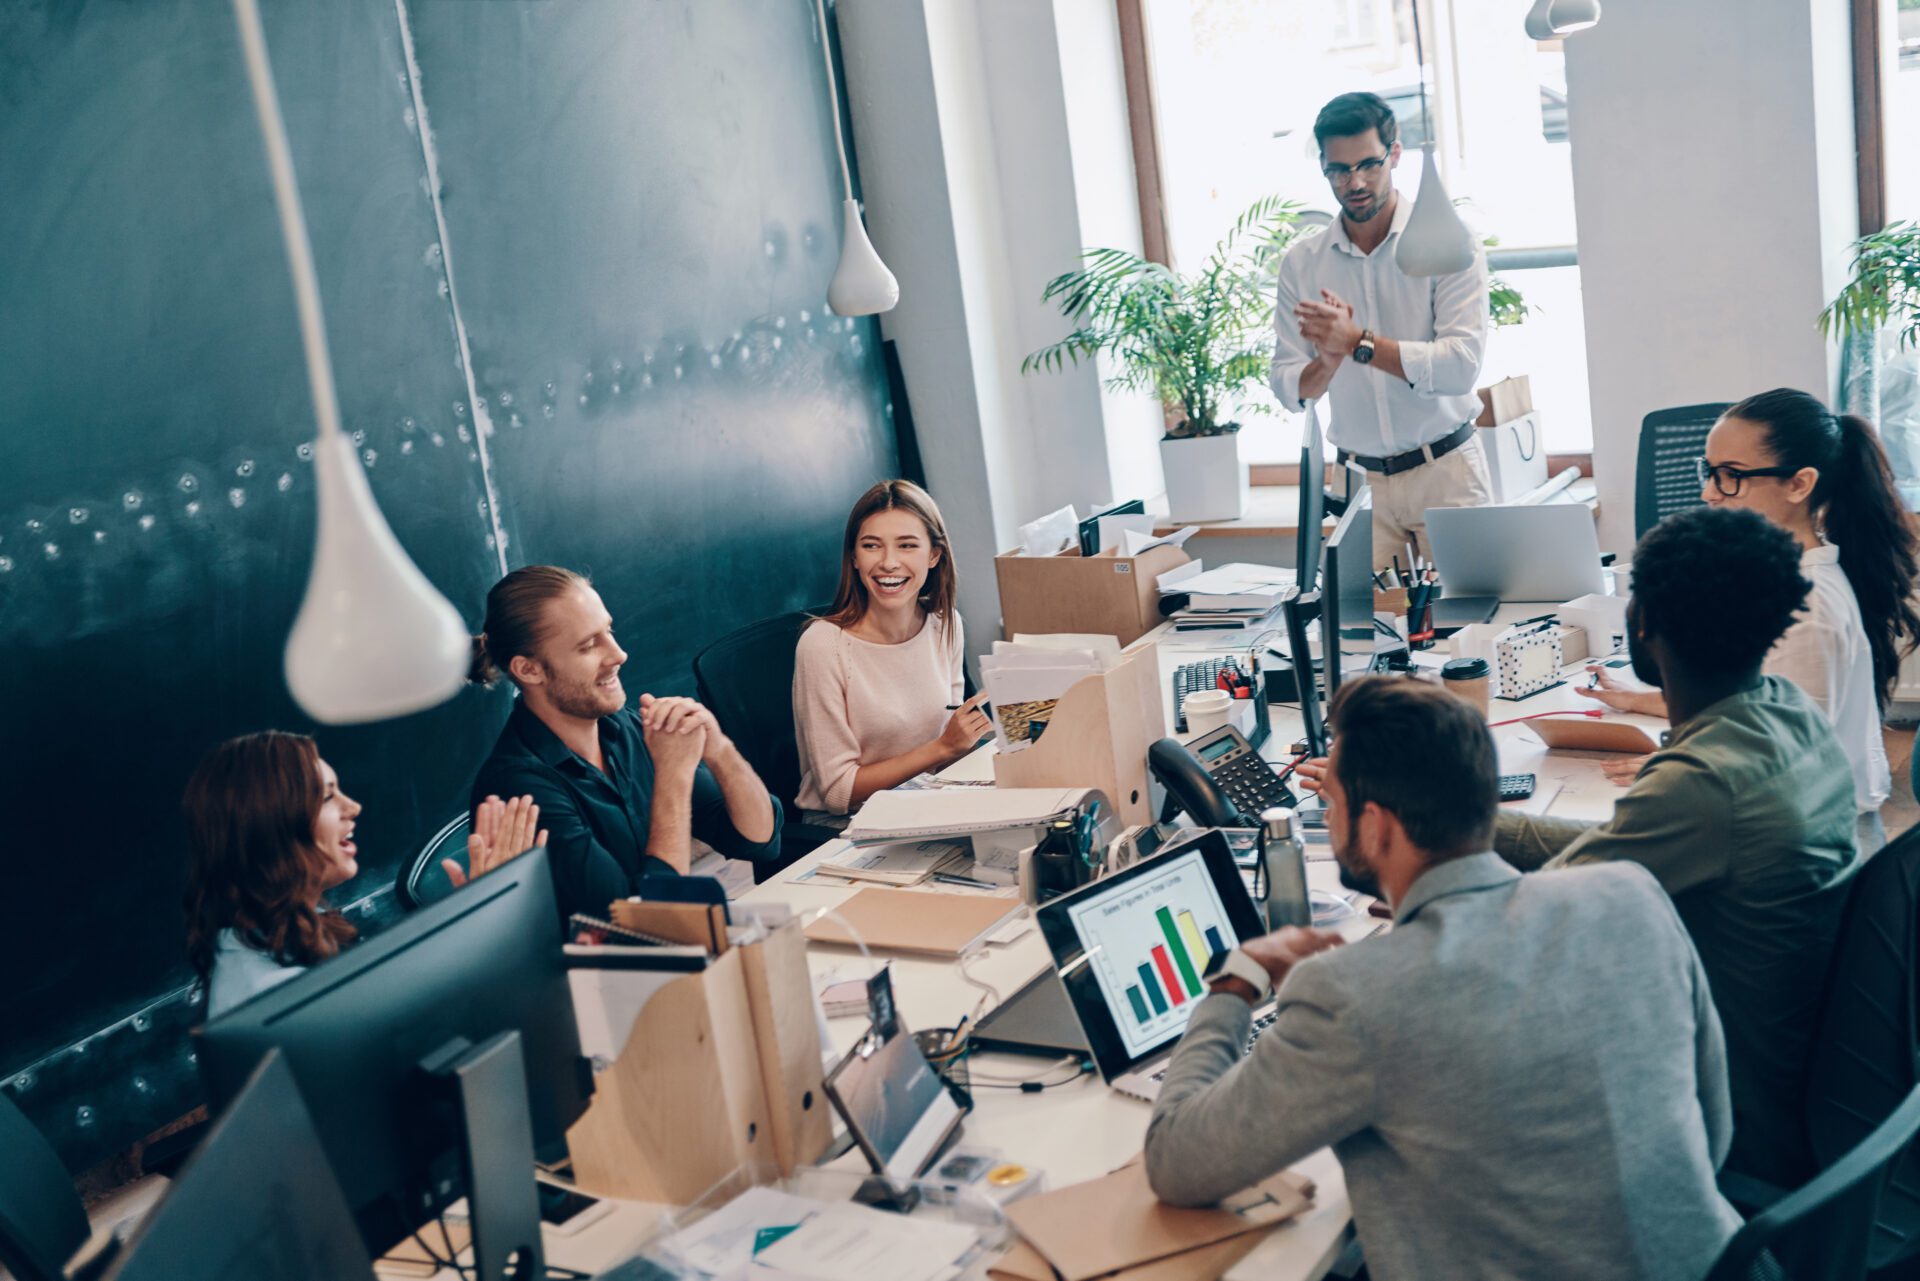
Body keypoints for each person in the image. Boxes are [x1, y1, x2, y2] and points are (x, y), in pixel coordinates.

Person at [1144, 678, 1740, 1281]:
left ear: (1376, 826)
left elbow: (1174, 1161)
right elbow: (1713, 1139)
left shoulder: (1353, 995)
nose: (1326, 814)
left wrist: (1237, 980)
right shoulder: (1631, 892)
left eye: (1333, 803)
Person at [1492, 506, 1859, 1186]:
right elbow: (1614, 845)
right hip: (1806, 1083)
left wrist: (1416, 843)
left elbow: (1527, 914)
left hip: (1731, 1123)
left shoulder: (1704, 784)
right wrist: (1474, 822)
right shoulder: (1784, 708)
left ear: (1642, 626)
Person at [1582, 388, 1918, 854]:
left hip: (1817, 853)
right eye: (1710, 471)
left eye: (1730, 477)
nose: (1708, 493)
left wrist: (1679, 773)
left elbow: (1783, 765)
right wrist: (1645, 701)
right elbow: (1759, 706)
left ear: (1799, 484)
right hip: (1795, 827)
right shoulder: (1785, 577)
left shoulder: (1807, 609)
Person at [469, 565, 781, 925]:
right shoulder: (518, 787)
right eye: (588, 645)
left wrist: (719, 749)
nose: (618, 654)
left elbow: (760, 840)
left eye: (609, 631)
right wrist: (673, 777)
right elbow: (644, 923)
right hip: (599, 975)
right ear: (528, 670)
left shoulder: (628, 729)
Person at [1269, 91, 1493, 571]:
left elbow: (1460, 367)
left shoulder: (1449, 243)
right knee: (1365, 639)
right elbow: (1291, 388)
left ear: (1395, 153)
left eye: (1369, 164)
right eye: (1339, 170)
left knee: (1470, 627)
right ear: (1324, 169)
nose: (1355, 182)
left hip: (1447, 473)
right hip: (1358, 484)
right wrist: (1326, 364)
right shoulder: (1303, 264)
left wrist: (1357, 343)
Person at [184, 732, 543, 1020]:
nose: (353, 808)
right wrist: (490, 910)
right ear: (272, 826)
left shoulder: (294, 927)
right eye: (327, 798)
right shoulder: (280, 1000)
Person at [793, 480, 988, 816]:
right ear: (854, 557)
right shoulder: (823, 646)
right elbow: (839, 792)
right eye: (871, 546)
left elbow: (951, 744)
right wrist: (942, 748)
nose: (888, 563)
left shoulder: (946, 624)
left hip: (928, 801)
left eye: (907, 546)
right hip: (847, 824)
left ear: (934, 555)